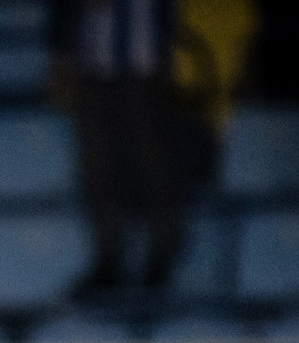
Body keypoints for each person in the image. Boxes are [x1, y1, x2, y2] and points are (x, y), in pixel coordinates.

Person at [48, 0, 201, 293]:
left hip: (143, 62)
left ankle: (161, 257)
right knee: (97, 166)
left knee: (153, 159)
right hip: (91, 64)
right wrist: (61, 54)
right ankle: (108, 261)